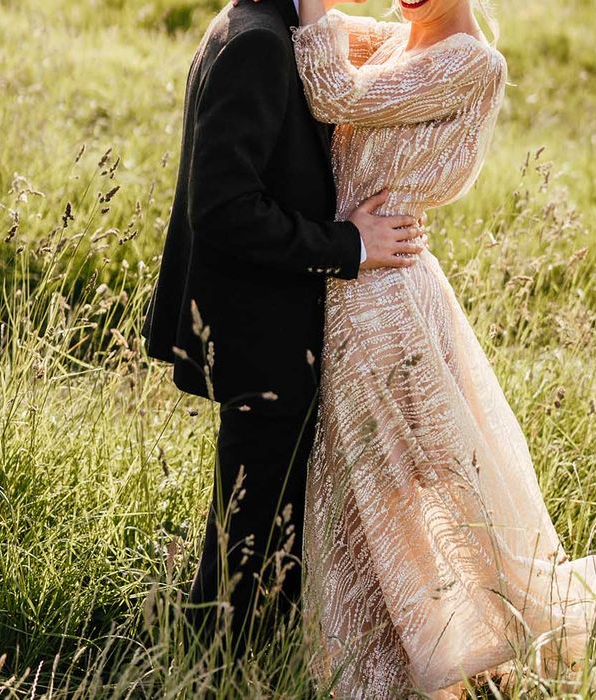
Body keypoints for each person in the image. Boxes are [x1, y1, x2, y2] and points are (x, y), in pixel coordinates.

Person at [287, 0, 596, 698]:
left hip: (385, 297)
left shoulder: (471, 62)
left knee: (408, 481)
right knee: (368, 481)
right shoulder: (401, 41)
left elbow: (334, 90)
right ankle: (398, 645)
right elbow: (337, 44)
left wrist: (311, 8)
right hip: (358, 279)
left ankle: (452, 653)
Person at [140, 0, 427, 664]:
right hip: (259, 328)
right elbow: (223, 206)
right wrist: (347, 244)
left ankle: (232, 652)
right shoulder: (259, 45)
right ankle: (221, 663)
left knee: (258, 508)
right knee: (257, 519)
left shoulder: (253, 23)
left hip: (259, 319)